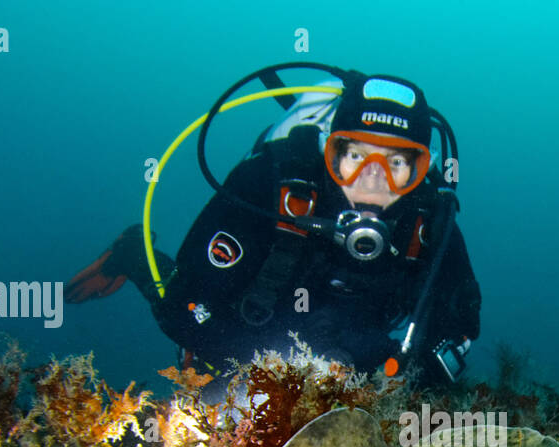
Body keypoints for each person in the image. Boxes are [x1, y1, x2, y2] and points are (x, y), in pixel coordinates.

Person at [65, 69, 481, 391]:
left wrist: (398, 370)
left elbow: (461, 321)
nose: (372, 182)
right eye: (355, 154)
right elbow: (192, 305)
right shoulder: (269, 182)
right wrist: (290, 373)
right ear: (330, 149)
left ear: (420, 171)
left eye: (396, 165)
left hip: (352, 334)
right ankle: (134, 255)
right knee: (194, 341)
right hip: (253, 320)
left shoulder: (428, 219)